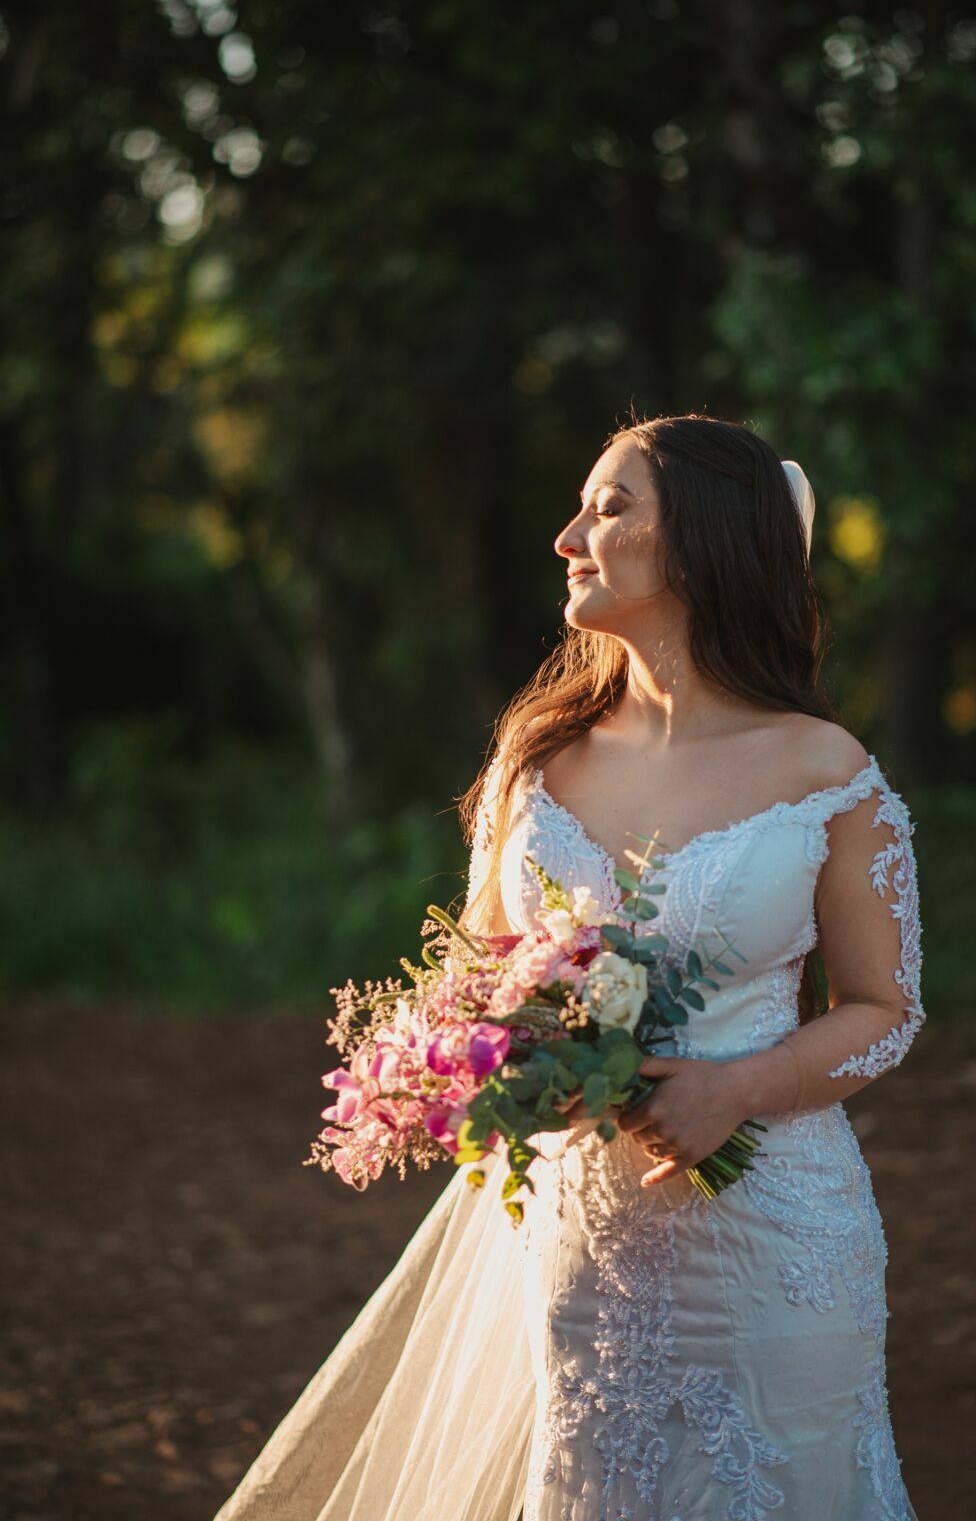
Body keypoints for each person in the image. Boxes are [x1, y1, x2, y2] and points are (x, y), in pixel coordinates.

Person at [213, 412, 925, 1521]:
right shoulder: (536, 761)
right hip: (588, 1249)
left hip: (780, 1247)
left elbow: (885, 1009)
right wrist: (480, 1059)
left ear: (702, 541)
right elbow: (485, 983)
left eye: (609, 506)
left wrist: (733, 1088)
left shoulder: (825, 770)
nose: (566, 536)